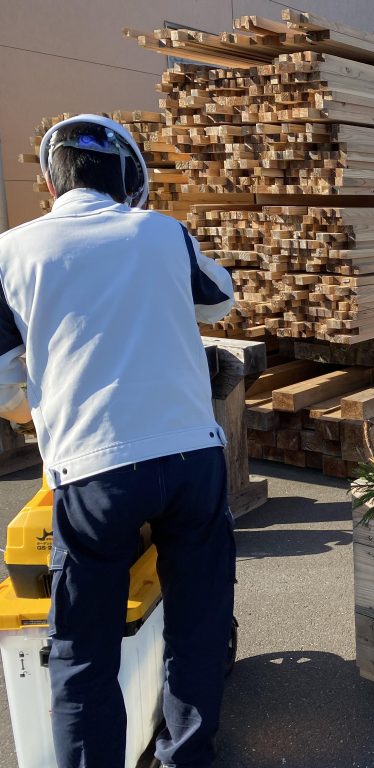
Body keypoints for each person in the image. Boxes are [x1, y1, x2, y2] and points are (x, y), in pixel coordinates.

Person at [0, 114, 237, 768]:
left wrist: (40, 410)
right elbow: (221, 298)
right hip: (190, 457)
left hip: (91, 469)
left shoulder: (10, 252)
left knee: (83, 648)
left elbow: (4, 386)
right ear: (129, 179)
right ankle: (185, 756)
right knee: (197, 622)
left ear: (51, 184)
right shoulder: (163, 232)